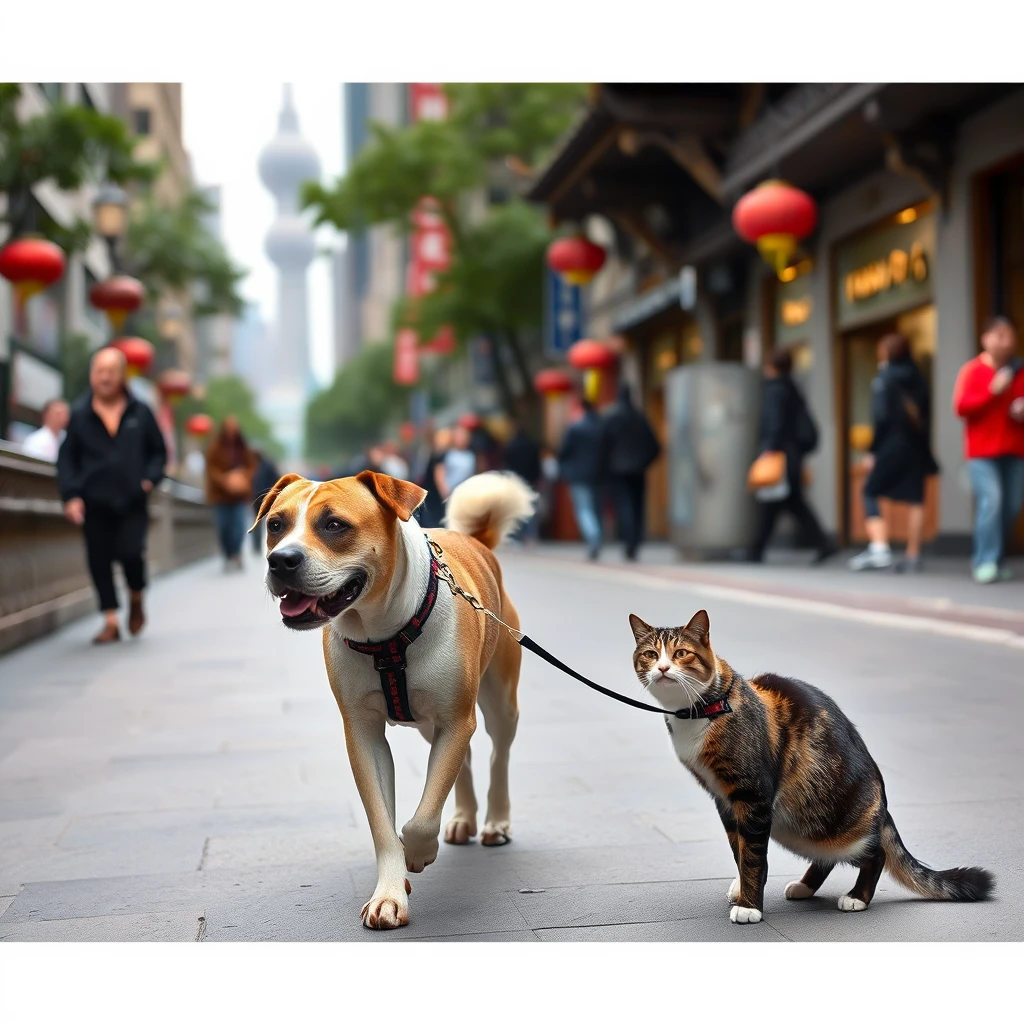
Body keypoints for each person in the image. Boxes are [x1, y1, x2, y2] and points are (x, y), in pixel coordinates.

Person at [56, 347, 167, 644]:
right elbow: (67, 459)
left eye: (111, 372)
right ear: (92, 376)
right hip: (94, 503)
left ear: (121, 376)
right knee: (98, 559)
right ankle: (110, 620)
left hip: (132, 501)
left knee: (132, 554)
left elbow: (158, 452)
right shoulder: (79, 416)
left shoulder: (140, 411)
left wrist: (148, 479)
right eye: (99, 372)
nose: (104, 378)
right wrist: (71, 495)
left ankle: (136, 596)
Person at [848, 334, 940, 573]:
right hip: (916, 446)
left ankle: (879, 547)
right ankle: (913, 554)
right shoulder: (918, 377)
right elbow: (927, 415)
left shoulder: (884, 378)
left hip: (891, 444)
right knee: (916, 499)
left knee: (869, 490)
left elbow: (881, 418)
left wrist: (873, 450)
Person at [953, 315, 1024, 583]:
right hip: (982, 452)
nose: (1005, 341)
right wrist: (992, 391)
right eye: (999, 335)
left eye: (1009, 335)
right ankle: (983, 561)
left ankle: (996, 558)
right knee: (991, 502)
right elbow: (961, 407)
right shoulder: (972, 370)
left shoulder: (1019, 370)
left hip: (1015, 449)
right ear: (986, 339)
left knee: (1011, 506)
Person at [748, 349, 836, 566]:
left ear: (771, 367)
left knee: (774, 504)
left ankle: (756, 551)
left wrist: (768, 447)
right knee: (788, 503)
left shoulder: (775, 390)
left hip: (780, 455)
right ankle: (822, 543)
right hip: (792, 455)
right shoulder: (792, 389)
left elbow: (774, 421)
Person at [599, 382, 661, 560]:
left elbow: (603, 446)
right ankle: (635, 541)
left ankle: (629, 541)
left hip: (617, 471)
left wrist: (605, 468)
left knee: (624, 506)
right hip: (637, 470)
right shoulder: (639, 417)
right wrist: (644, 462)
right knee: (637, 506)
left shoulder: (611, 417)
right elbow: (655, 446)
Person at [205, 416, 259, 572]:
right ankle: (228, 555)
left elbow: (252, 466)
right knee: (223, 528)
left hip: (239, 496)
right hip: (220, 496)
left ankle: (236, 554)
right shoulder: (215, 446)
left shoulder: (243, 448)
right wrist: (225, 480)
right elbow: (211, 469)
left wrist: (242, 476)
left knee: (238, 527)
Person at [559, 398, 605, 560]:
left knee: (584, 508)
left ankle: (593, 536)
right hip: (600, 474)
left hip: (579, 475)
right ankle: (598, 536)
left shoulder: (576, 428)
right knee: (597, 508)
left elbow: (564, 451)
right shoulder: (601, 427)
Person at [504, 420, 542, 545]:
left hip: (516, 480)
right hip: (530, 480)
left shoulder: (511, 445)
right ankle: (532, 535)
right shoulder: (533, 445)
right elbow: (537, 465)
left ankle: (519, 535)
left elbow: (508, 464)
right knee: (530, 508)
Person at [418, 427, 450, 528]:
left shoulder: (435, 453)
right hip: (433, 495)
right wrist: (446, 494)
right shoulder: (437, 455)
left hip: (431, 495)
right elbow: (438, 477)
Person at [250, 447, 281, 554]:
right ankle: (257, 546)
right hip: (256, 498)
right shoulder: (252, 465)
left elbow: (276, 479)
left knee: (269, 522)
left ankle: (272, 544)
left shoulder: (266, 465)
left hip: (266, 497)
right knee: (258, 523)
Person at [437, 424, 477, 501]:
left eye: (464, 435)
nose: (462, 438)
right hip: (452, 494)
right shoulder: (447, 454)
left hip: (467, 493)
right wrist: (445, 492)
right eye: (459, 436)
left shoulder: (471, 455)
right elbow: (439, 473)